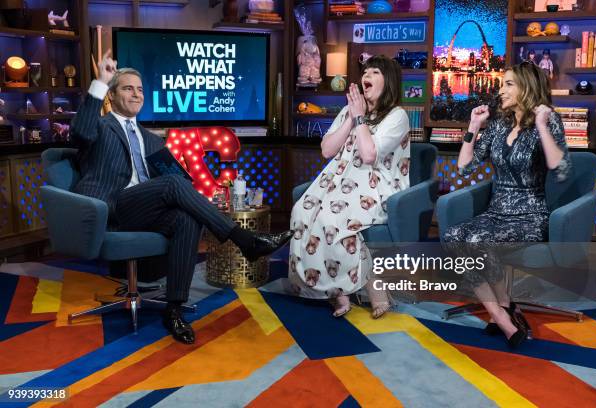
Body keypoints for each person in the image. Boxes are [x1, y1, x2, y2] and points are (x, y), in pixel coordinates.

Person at [71, 50, 292, 344]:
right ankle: (245, 241)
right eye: (127, 88)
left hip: (145, 208)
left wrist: (178, 178)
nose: (136, 94)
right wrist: (99, 81)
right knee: (173, 184)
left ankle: (174, 310)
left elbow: (172, 180)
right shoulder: (99, 126)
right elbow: (80, 131)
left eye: (140, 90)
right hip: (112, 207)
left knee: (186, 217)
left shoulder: (151, 139)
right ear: (111, 95)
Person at [442, 62, 571, 348]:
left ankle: (502, 316)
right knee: (452, 235)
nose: (501, 90)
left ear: (527, 87)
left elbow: (560, 169)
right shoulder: (499, 124)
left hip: (530, 215)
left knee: (477, 240)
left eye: (508, 84)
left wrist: (541, 126)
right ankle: (500, 312)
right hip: (496, 212)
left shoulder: (549, 121)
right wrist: (473, 128)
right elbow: (464, 167)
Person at [288, 55, 410, 318]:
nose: (366, 75)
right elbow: (326, 150)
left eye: (374, 72)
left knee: (332, 218)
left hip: (374, 185)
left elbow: (368, 155)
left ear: (387, 80)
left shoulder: (397, 116)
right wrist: (350, 117)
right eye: (365, 71)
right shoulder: (350, 111)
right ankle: (338, 292)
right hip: (339, 179)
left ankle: (365, 288)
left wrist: (359, 119)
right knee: (301, 212)